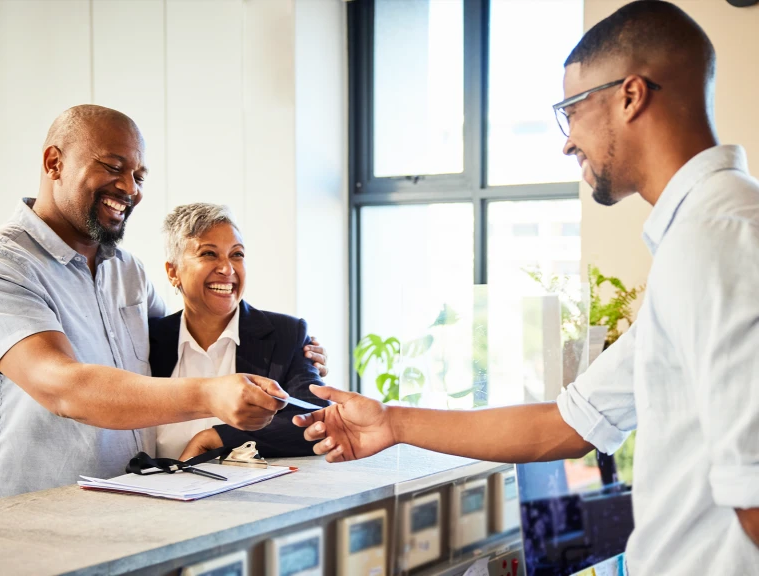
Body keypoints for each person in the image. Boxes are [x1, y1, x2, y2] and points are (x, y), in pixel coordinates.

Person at [294, 2, 759, 574]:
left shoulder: (720, 240)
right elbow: (569, 424)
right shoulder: (701, 238)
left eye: (571, 110)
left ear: (630, 96)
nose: (567, 142)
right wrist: (392, 422)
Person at [0, 105, 328, 499]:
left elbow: (183, 334)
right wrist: (208, 394)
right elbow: (66, 387)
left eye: (138, 176)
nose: (130, 188)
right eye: (113, 167)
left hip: (138, 502)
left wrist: (293, 350)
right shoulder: (5, 266)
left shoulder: (128, 271)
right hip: (40, 513)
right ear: (54, 163)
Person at [149, 203, 328, 461]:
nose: (227, 269)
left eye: (237, 254)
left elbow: (318, 419)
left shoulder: (285, 334)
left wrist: (218, 438)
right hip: (151, 496)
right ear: (173, 272)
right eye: (209, 254)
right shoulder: (149, 340)